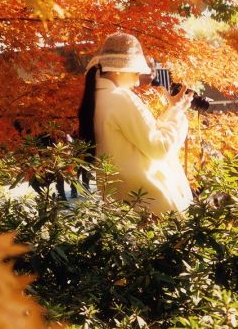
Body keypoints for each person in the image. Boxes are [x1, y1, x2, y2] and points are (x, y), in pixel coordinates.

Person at [77, 31, 194, 215]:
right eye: (135, 68)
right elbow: (159, 147)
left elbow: (143, 138)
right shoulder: (120, 97)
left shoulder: (98, 98)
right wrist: (178, 113)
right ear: (117, 68)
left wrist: (172, 110)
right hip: (152, 206)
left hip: (124, 207)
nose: (139, 75)